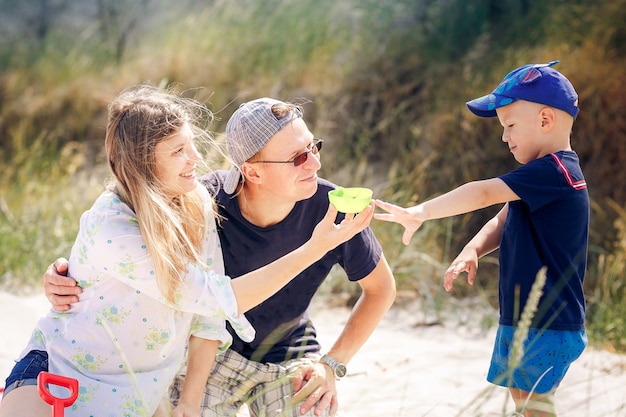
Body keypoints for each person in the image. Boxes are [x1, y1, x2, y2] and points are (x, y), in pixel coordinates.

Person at [0, 87, 374, 417]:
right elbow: (214, 298)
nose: (196, 158)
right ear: (144, 163)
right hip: (64, 375)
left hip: (137, 392)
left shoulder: (198, 203)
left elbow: (207, 318)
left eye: (192, 143)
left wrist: (190, 402)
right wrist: (317, 247)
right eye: (179, 150)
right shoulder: (111, 226)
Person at [374, 61, 588, 417]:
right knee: (525, 401)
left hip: (548, 320)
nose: (504, 136)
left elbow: (483, 194)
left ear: (546, 120)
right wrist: (473, 248)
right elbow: (503, 217)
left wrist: (421, 212)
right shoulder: (539, 178)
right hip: (525, 319)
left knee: (536, 407)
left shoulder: (557, 172)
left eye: (510, 125)